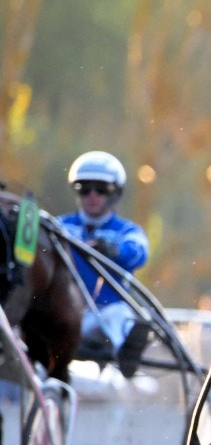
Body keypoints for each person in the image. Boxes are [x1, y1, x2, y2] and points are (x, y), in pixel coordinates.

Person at [58, 150, 151, 378]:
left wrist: (114, 250)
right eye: (84, 188)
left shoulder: (126, 231)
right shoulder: (59, 226)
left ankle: (126, 354)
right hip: (64, 314)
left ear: (115, 194)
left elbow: (139, 252)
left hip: (104, 319)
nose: (92, 195)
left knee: (119, 313)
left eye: (101, 189)